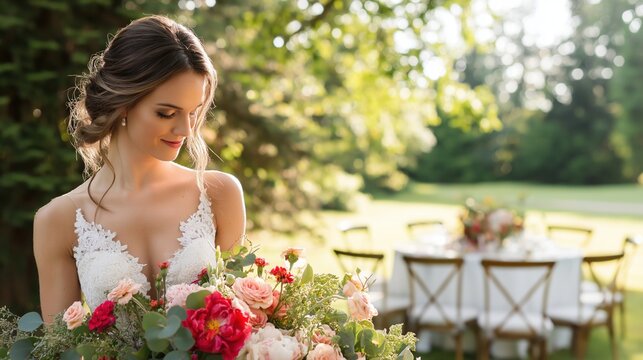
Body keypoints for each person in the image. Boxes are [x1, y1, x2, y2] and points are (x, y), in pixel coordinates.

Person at [32, 15, 246, 324]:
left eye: (193, 112)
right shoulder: (58, 220)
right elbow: (59, 350)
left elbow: (243, 325)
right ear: (124, 104)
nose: (185, 129)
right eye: (167, 113)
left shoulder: (220, 194)